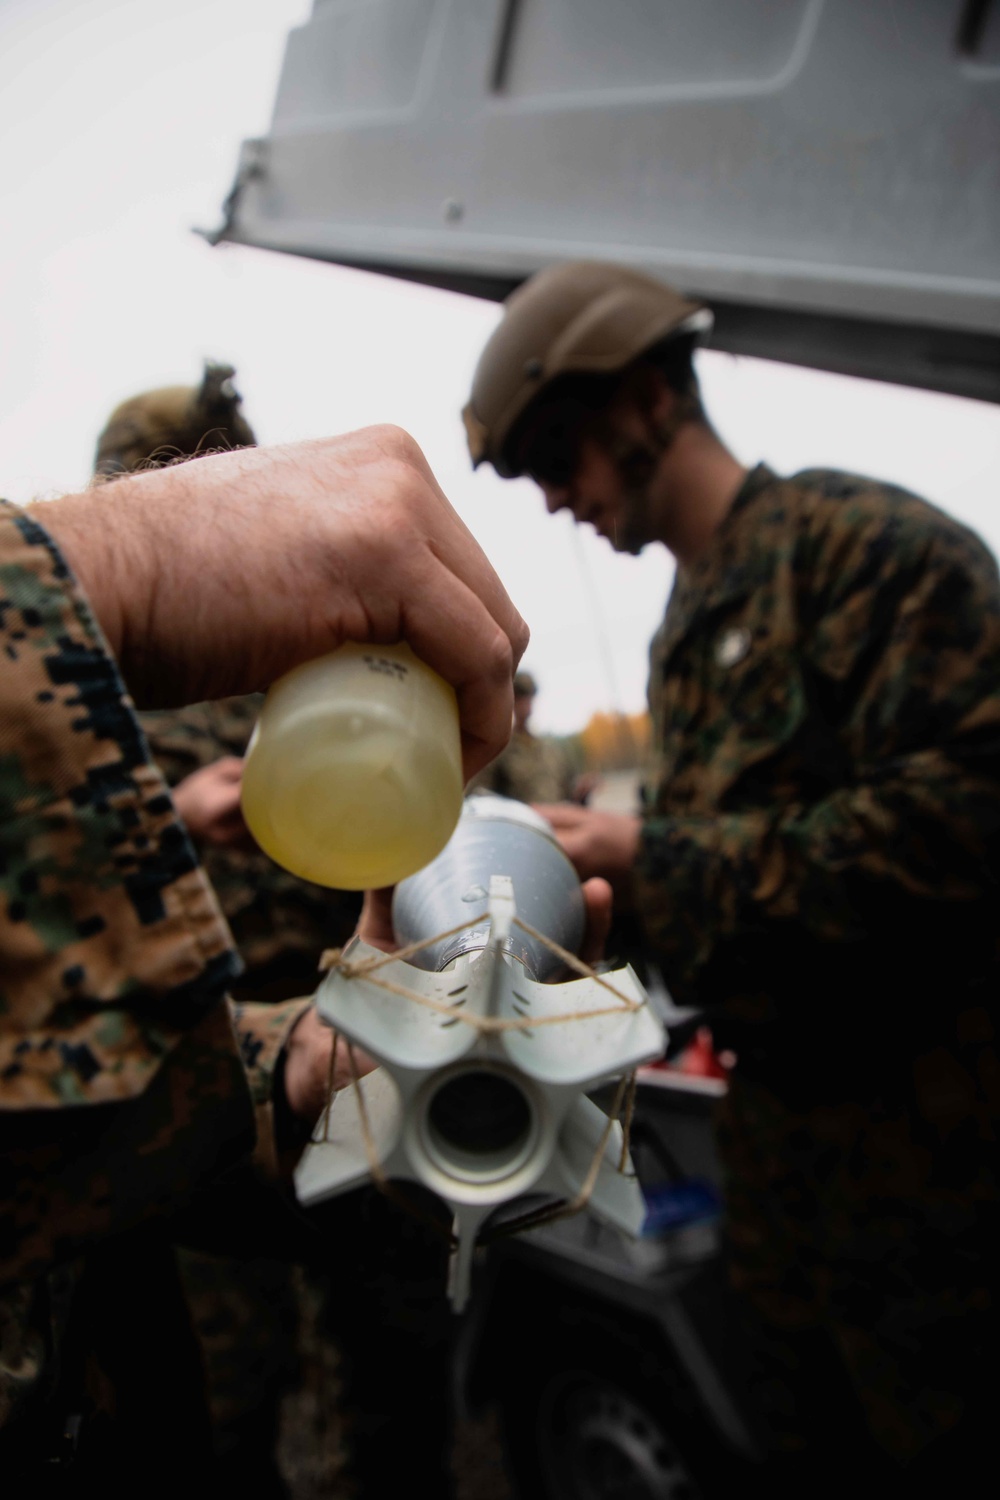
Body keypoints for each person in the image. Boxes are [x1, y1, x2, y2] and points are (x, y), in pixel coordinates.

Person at [463, 261, 1000, 1492]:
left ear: (646, 397)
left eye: (561, 452)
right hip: (784, 1177)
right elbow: (732, 893)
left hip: (937, 1175)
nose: (554, 498)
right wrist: (586, 902)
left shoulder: (870, 551)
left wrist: (652, 855)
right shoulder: (687, 629)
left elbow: (960, 830)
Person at [0, 428, 535, 1492]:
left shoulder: (294, 672)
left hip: (169, 1286)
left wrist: (289, 1070)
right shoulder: (143, 688)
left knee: (382, 1381)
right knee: (258, 1397)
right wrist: (120, 570)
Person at [470, 669, 584, 804]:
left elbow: (568, 793)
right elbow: (480, 798)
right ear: (510, 701)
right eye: (519, 698)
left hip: (555, 823)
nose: (525, 705)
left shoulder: (551, 750)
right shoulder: (498, 750)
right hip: (519, 823)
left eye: (529, 698)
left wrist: (582, 793)